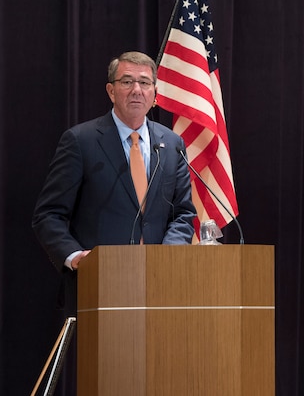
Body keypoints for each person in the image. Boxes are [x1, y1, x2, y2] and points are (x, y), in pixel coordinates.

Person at [32, 51, 197, 316]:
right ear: (111, 90)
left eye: (144, 83)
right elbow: (48, 215)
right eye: (126, 81)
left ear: (155, 93)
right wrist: (75, 257)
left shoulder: (171, 144)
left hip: (161, 286)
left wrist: (168, 257)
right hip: (99, 286)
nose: (136, 90)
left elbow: (183, 213)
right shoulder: (80, 141)